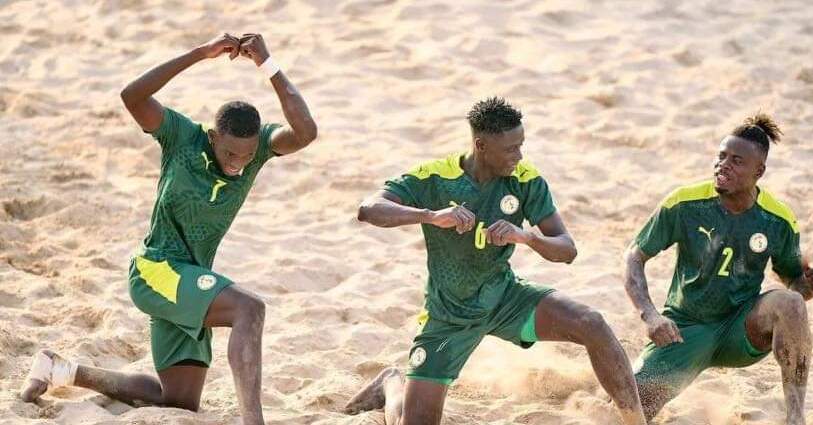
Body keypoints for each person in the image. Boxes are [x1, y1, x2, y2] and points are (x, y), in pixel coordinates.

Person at [20, 32, 317, 425]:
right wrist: (200, 53)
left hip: (192, 279)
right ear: (213, 137)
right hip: (156, 269)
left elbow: (306, 133)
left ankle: (61, 370)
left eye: (246, 157)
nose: (237, 164)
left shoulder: (256, 150)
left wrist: (269, 65)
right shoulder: (182, 138)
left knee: (176, 401)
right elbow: (132, 96)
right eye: (229, 152)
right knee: (250, 309)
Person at [344, 97, 647, 425]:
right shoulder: (436, 177)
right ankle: (392, 384)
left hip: (505, 298)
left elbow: (567, 249)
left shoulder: (526, 180)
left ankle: (635, 421)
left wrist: (527, 237)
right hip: (449, 315)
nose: (519, 156)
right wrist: (431, 216)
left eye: (521, 145)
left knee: (592, 324)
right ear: (481, 145)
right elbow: (369, 209)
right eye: (510, 149)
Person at [624, 113, 813, 424]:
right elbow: (634, 258)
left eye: (736, 161)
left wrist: (810, 286)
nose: (723, 165)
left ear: (759, 171)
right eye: (721, 157)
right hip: (686, 329)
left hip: (741, 326)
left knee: (791, 303)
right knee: (630, 408)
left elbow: (794, 283)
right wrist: (651, 315)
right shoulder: (684, 203)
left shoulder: (778, 219)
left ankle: (795, 417)